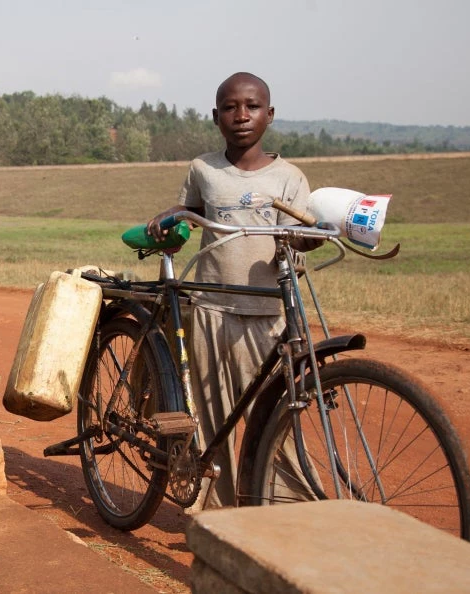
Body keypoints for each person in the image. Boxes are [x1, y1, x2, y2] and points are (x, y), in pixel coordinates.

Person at [146, 72, 319, 510]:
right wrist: (172, 220)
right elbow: (190, 217)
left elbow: (300, 237)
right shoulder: (203, 169)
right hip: (211, 309)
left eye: (252, 106)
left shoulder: (290, 178)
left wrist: (305, 240)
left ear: (270, 115)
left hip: (269, 315)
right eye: (230, 107)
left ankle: (287, 514)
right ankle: (212, 519)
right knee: (210, 421)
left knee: (277, 422)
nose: (241, 115)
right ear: (216, 116)